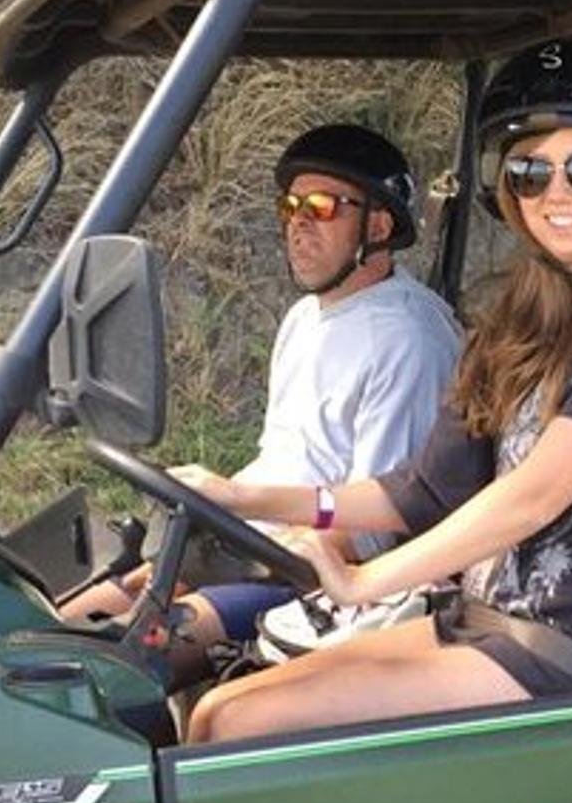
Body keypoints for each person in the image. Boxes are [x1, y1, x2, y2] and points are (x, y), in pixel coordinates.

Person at [171, 37, 572, 743]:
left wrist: (370, 581)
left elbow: (534, 495)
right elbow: (420, 492)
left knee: (246, 723)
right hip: (483, 623)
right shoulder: (516, 318)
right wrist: (243, 497)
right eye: (529, 172)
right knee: (215, 711)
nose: (556, 194)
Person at [62, 123, 459, 680]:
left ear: (378, 225)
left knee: (114, 667)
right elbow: (284, 459)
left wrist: (238, 537)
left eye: (321, 207)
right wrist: (192, 550)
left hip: (314, 582)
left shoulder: (409, 340)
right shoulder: (304, 317)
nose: (298, 224)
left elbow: (380, 529)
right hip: (248, 549)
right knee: (57, 629)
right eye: (291, 206)